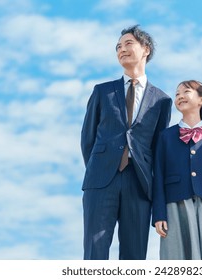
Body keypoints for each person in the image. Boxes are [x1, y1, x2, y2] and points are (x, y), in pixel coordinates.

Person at [80, 25, 172, 260]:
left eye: (128, 43)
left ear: (146, 50)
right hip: (101, 181)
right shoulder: (102, 92)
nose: (122, 49)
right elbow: (87, 139)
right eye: (118, 47)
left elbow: (157, 147)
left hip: (139, 183)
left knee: (134, 255)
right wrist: (99, 169)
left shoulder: (162, 100)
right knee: (95, 251)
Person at [152, 80, 202, 260]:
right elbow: (158, 176)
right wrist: (159, 214)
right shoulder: (165, 136)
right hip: (174, 206)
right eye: (177, 94)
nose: (180, 96)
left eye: (186, 92)